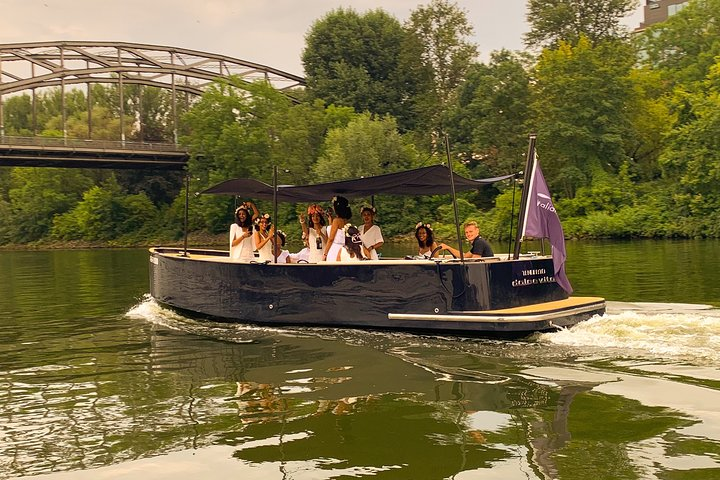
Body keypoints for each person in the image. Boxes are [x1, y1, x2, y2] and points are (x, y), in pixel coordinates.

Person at [322, 196, 352, 263]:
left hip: (335, 249)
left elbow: (331, 239)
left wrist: (325, 253)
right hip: (343, 249)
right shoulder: (346, 221)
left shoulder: (337, 221)